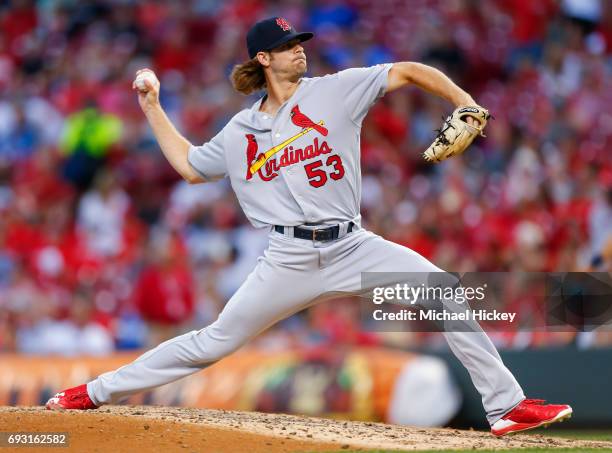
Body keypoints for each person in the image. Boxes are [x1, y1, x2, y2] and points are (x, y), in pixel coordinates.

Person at [47, 17, 571, 437]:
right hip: (287, 259)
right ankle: (92, 393)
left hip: (352, 244)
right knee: (212, 343)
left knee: (444, 290)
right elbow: (188, 167)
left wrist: (462, 101)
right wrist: (152, 106)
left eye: (299, 42)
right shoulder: (241, 130)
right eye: (287, 44)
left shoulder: (337, 89)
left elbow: (410, 69)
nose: (299, 49)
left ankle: (506, 407)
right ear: (263, 58)